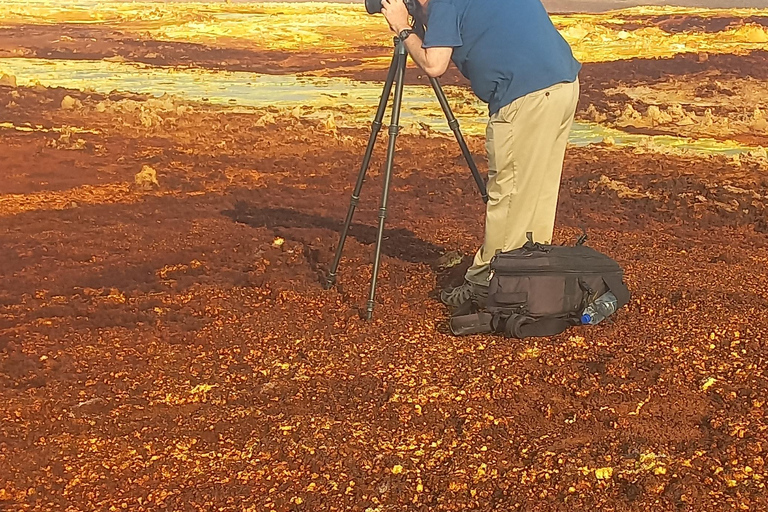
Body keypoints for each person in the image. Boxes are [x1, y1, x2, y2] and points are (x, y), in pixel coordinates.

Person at [381, 0, 581, 308]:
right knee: (537, 192)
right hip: (562, 85)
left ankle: (485, 285)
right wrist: (422, 18)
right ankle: (528, 276)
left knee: (509, 195)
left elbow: (434, 64)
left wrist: (403, 26)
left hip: (523, 95)